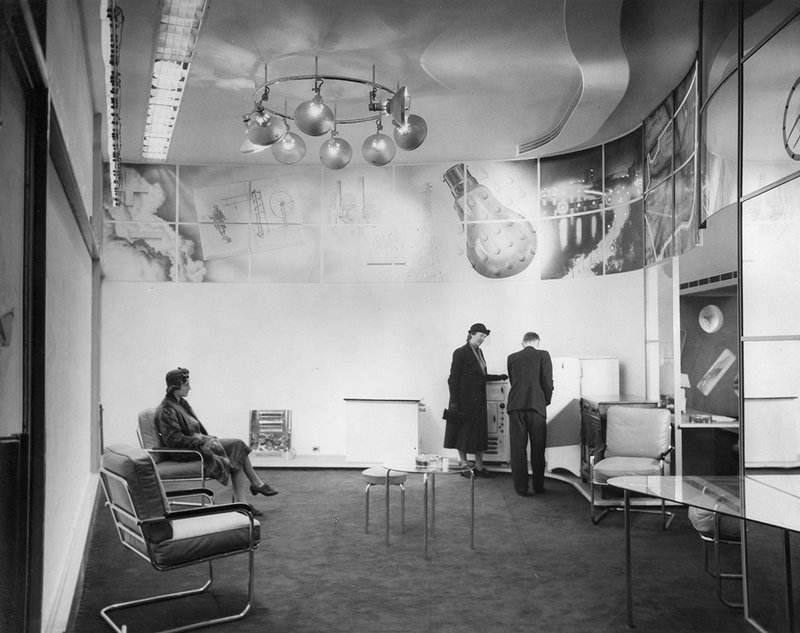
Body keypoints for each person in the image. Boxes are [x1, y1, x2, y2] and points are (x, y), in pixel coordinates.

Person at [154, 367, 278, 517]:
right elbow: (174, 440)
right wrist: (201, 441)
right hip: (185, 451)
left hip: (198, 445)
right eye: (186, 385)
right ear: (175, 386)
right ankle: (255, 487)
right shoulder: (166, 409)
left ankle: (243, 502)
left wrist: (206, 439)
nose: (190, 388)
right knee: (236, 446)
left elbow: (195, 430)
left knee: (236, 450)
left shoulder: (181, 404)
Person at [444, 323, 507, 478]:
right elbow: (453, 379)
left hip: (478, 401)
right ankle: (464, 465)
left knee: (480, 434)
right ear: (472, 334)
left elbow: (481, 377)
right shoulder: (460, 352)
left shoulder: (480, 353)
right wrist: (454, 402)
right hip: (463, 401)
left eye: (485, 336)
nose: (483, 339)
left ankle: (479, 466)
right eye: (481, 335)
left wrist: (498, 376)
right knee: (462, 433)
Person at [506, 332, 553, 496]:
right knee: (538, 448)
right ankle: (538, 486)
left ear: (522, 343)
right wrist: (544, 400)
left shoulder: (511, 357)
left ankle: (521, 488)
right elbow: (548, 382)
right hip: (536, 407)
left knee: (518, 449)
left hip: (516, 406)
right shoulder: (543, 355)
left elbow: (514, 381)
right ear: (538, 342)